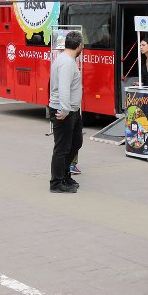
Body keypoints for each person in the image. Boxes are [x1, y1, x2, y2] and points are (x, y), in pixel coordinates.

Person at [48, 31, 84, 193]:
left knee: (75, 143)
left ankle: (65, 175)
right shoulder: (67, 63)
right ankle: (56, 183)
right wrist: (64, 109)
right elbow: (63, 87)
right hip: (64, 111)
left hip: (71, 110)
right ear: (79, 46)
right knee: (62, 148)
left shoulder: (66, 60)